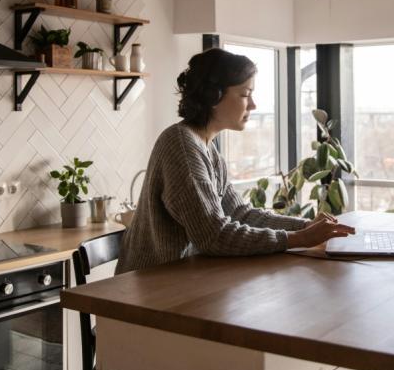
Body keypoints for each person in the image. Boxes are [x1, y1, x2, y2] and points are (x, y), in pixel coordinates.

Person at [117, 48, 355, 274]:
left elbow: (240, 213)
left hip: (181, 279)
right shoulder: (182, 147)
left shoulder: (207, 149)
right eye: (245, 94)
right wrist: (298, 239)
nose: (253, 105)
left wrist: (305, 226)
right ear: (214, 96)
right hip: (144, 291)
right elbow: (214, 236)